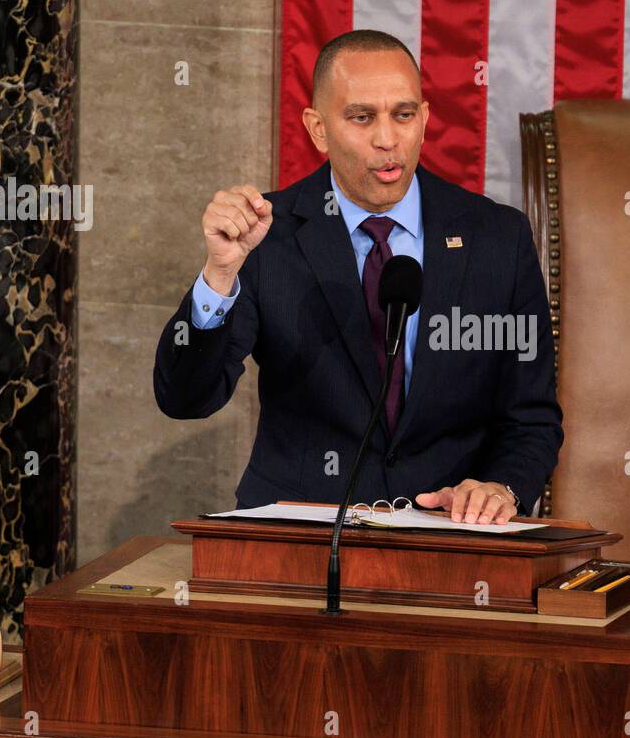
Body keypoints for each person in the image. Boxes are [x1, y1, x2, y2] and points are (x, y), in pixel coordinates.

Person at [153, 30, 562, 526]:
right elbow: (185, 398)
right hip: (300, 538)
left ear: (426, 119)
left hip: (448, 538)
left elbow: (532, 419)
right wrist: (220, 273)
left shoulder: (497, 238)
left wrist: (502, 488)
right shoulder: (267, 236)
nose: (388, 140)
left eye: (404, 115)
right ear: (318, 128)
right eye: (362, 117)